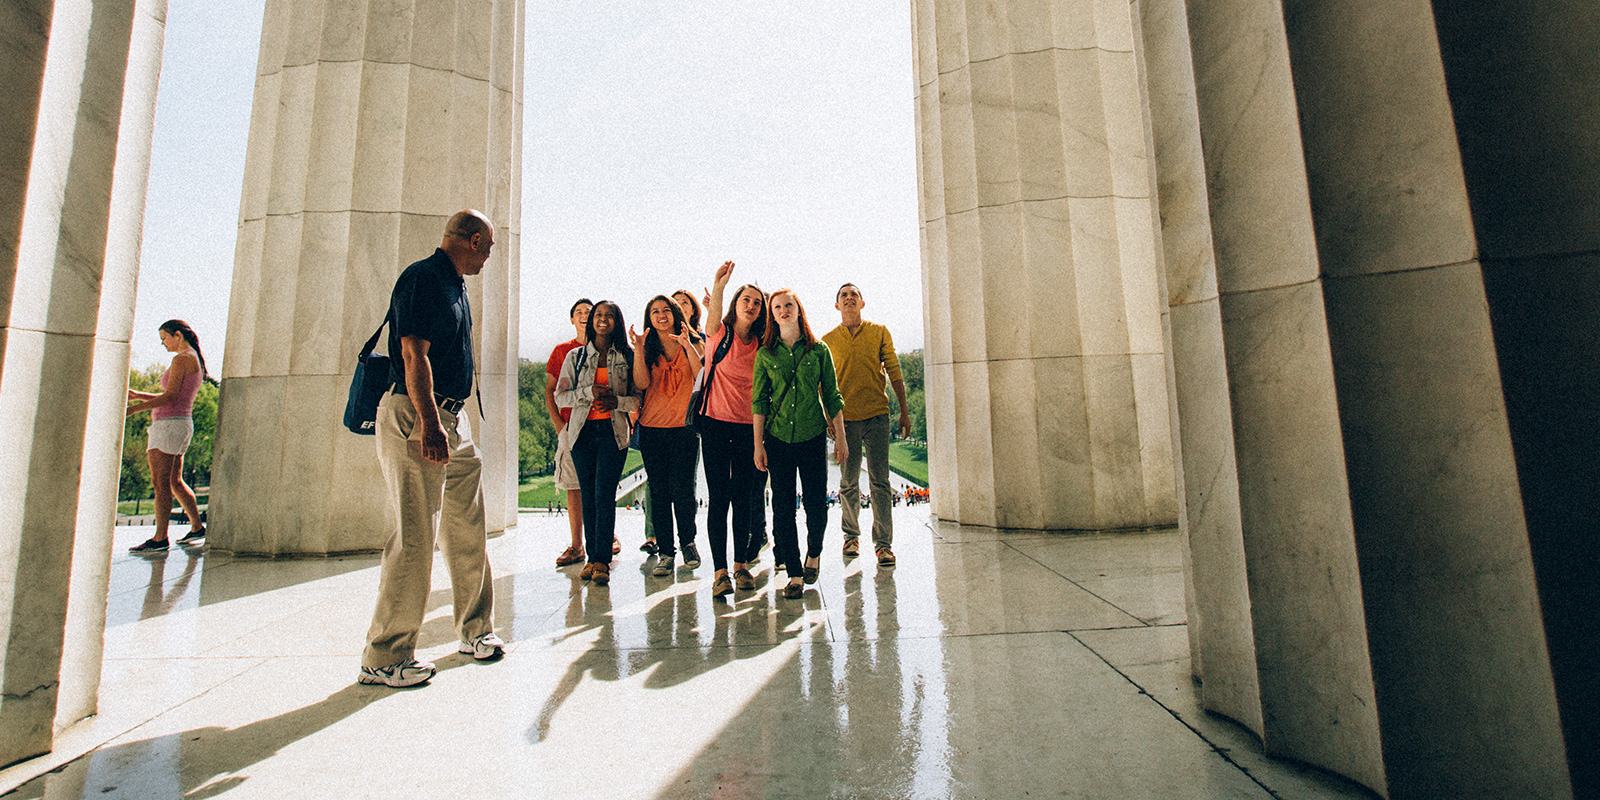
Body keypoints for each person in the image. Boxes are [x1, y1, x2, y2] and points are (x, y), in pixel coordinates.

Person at [359, 210, 505, 689]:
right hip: (418, 418)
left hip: (451, 420)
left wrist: (448, 421)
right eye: (488, 248)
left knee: (467, 527)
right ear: (473, 239)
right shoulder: (423, 278)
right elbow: (412, 354)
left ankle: (475, 631)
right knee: (415, 537)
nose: (488, 257)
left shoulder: (454, 283)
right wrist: (428, 423)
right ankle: (385, 656)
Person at [752, 290, 847, 599]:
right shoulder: (766, 354)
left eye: (788, 305)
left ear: (798, 310)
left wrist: (842, 438)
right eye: (776, 307)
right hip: (778, 437)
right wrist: (758, 445)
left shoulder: (819, 350)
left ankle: (814, 553)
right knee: (782, 508)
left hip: (811, 434)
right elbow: (759, 402)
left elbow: (832, 395)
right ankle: (793, 572)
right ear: (772, 314)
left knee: (817, 506)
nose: (782, 311)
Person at [821, 283, 910, 567]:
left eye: (853, 295)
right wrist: (828, 418)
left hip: (877, 416)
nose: (849, 298)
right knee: (848, 482)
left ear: (862, 303)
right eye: (844, 296)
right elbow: (823, 384)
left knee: (880, 482)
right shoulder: (827, 340)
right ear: (837, 306)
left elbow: (894, 370)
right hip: (845, 420)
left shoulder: (879, 332)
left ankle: (883, 545)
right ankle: (851, 537)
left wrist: (904, 411)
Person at [554, 300, 640, 587]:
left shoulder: (627, 356)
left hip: (613, 432)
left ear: (616, 321)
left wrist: (618, 402)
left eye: (609, 316)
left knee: (604, 494)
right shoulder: (575, 357)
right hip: (582, 432)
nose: (603, 320)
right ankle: (592, 558)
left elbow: (639, 398)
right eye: (598, 315)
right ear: (591, 322)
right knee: (589, 494)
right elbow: (561, 396)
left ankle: (602, 559)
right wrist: (588, 393)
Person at [699, 261, 767, 597]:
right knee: (718, 499)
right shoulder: (720, 335)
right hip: (714, 424)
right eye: (746, 300)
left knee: (743, 499)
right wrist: (720, 284)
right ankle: (720, 572)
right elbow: (712, 318)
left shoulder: (762, 345)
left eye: (757, 302)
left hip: (746, 428)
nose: (751, 305)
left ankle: (741, 565)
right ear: (735, 304)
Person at [629, 296, 703, 576]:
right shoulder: (647, 347)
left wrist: (686, 345)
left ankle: (688, 543)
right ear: (650, 317)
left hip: (685, 427)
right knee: (659, 493)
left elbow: (701, 377)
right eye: (655, 311)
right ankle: (666, 552)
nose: (661, 315)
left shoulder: (693, 340)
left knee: (683, 490)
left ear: (675, 313)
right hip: (653, 428)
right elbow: (642, 383)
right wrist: (638, 349)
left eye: (665, 310)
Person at [126, 320, 211, 552]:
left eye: (164, 338)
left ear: (177, 335)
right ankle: (196, 527)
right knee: (174, 480)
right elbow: (174, 395)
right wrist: (138, 395)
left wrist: (134, 409)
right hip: (179, 424)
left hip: (168, 426)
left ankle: (160, 538)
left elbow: (170, 397)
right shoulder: (192, 357)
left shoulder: (182, 359)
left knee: (160, 483)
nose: (162, 343)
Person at [545, 298, 593, 567]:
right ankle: (577, 545)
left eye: (589, 311)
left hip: (599, 425)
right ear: (572, 319)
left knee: (600, 486)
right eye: (579, 312)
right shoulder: (562, 351)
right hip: (570, 426)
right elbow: (550, 391)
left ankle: (604, 537)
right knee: (574, 488)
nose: (584, 315)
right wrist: (558, 425)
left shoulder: (609, 349)